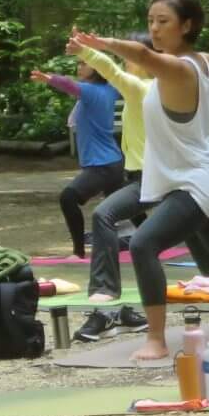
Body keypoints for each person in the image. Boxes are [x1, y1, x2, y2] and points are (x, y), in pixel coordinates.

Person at [74, 0, 209, 364]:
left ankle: (156, 340)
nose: (154, 28)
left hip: (194, 184)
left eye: (162, 21)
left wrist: (101, 42)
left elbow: (143, 55)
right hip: (194, 177)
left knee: (142, 244)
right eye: (150, 21)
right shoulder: (199, 61)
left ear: (187, 25)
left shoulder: (179, 67)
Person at [70, 33, 155, 342]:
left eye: (129, 56)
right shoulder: (159, 86)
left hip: (151, 179)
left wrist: (90, 51)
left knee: (104, 216)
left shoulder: (141, 88)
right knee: (146, 242)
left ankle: (105, 296)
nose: (124, 63)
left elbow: (111, 72)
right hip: (144, 176)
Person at [28, 61, 124, 259]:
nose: (79, 67)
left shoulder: (91, 91)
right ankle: (155, 242)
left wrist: (48, 78)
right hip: (113, 161)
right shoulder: (109, 89)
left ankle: (78, 252)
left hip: (102, 165)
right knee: (127, 207)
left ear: (97, 68)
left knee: (68, 198)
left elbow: (70, 85)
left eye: (84, 64)